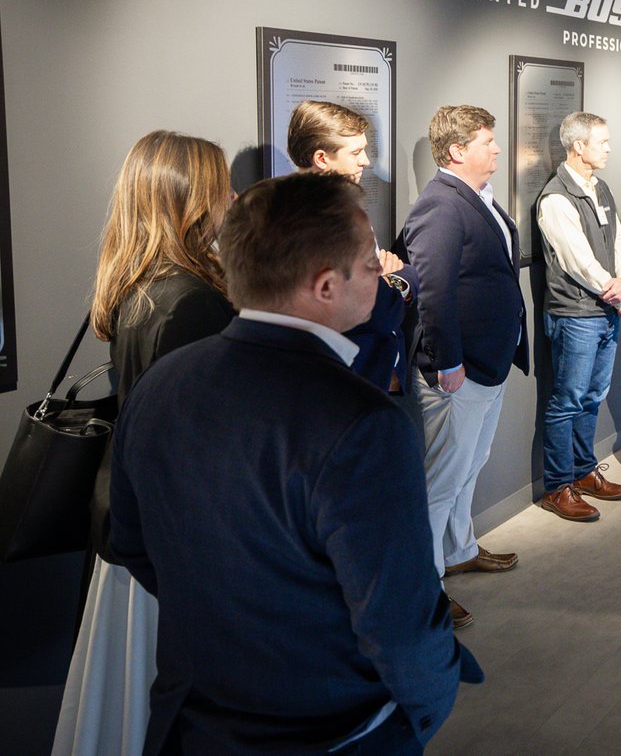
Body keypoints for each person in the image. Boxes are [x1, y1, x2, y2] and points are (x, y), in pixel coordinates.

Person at [110, 171, 482, 754]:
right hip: (332, 729)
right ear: (326, 285)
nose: (380, 275)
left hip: (194, 720)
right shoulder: (362, 422)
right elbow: (400, 621)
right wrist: (419, 717)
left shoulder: (159, 384)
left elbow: (132, 545)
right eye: (370, 265)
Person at [53, 131, 235, 756]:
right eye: (222, 187)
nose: (233, 199)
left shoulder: (141, 285)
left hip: (127, 521)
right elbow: (197, 446)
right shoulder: (194, 302)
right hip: (169, 540)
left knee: (125, 707)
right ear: (193, 199)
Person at [399, 105, 528, 628]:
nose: (497, 149)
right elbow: (433, 292)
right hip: (459, 369)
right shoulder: (440, 205)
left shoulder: (475, 198)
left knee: (470, 465)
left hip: (487, 363)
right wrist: (446, 359)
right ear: (457, 151)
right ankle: (425, 588)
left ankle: (458, 550)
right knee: (442, 480)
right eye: (487, 141)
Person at [287, 101, 420, 429]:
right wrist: (395, 281)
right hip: (347, 384)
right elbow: (377, 310)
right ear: (322, 158)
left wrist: (386, 279)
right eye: (356, 152)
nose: (367, 161)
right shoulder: (321, 221)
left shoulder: (339, 209)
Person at [535, 111, 621, 522]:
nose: (609, 148)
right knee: (567, 401)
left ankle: (583, 470)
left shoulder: (600, 187)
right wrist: (615, 291)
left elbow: (619, 241)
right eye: (602, 141)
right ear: (579, 146)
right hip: (576, 314)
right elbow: (577, 260)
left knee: (592, 396)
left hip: (604, 309)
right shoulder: (556, 198)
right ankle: (558, 487)